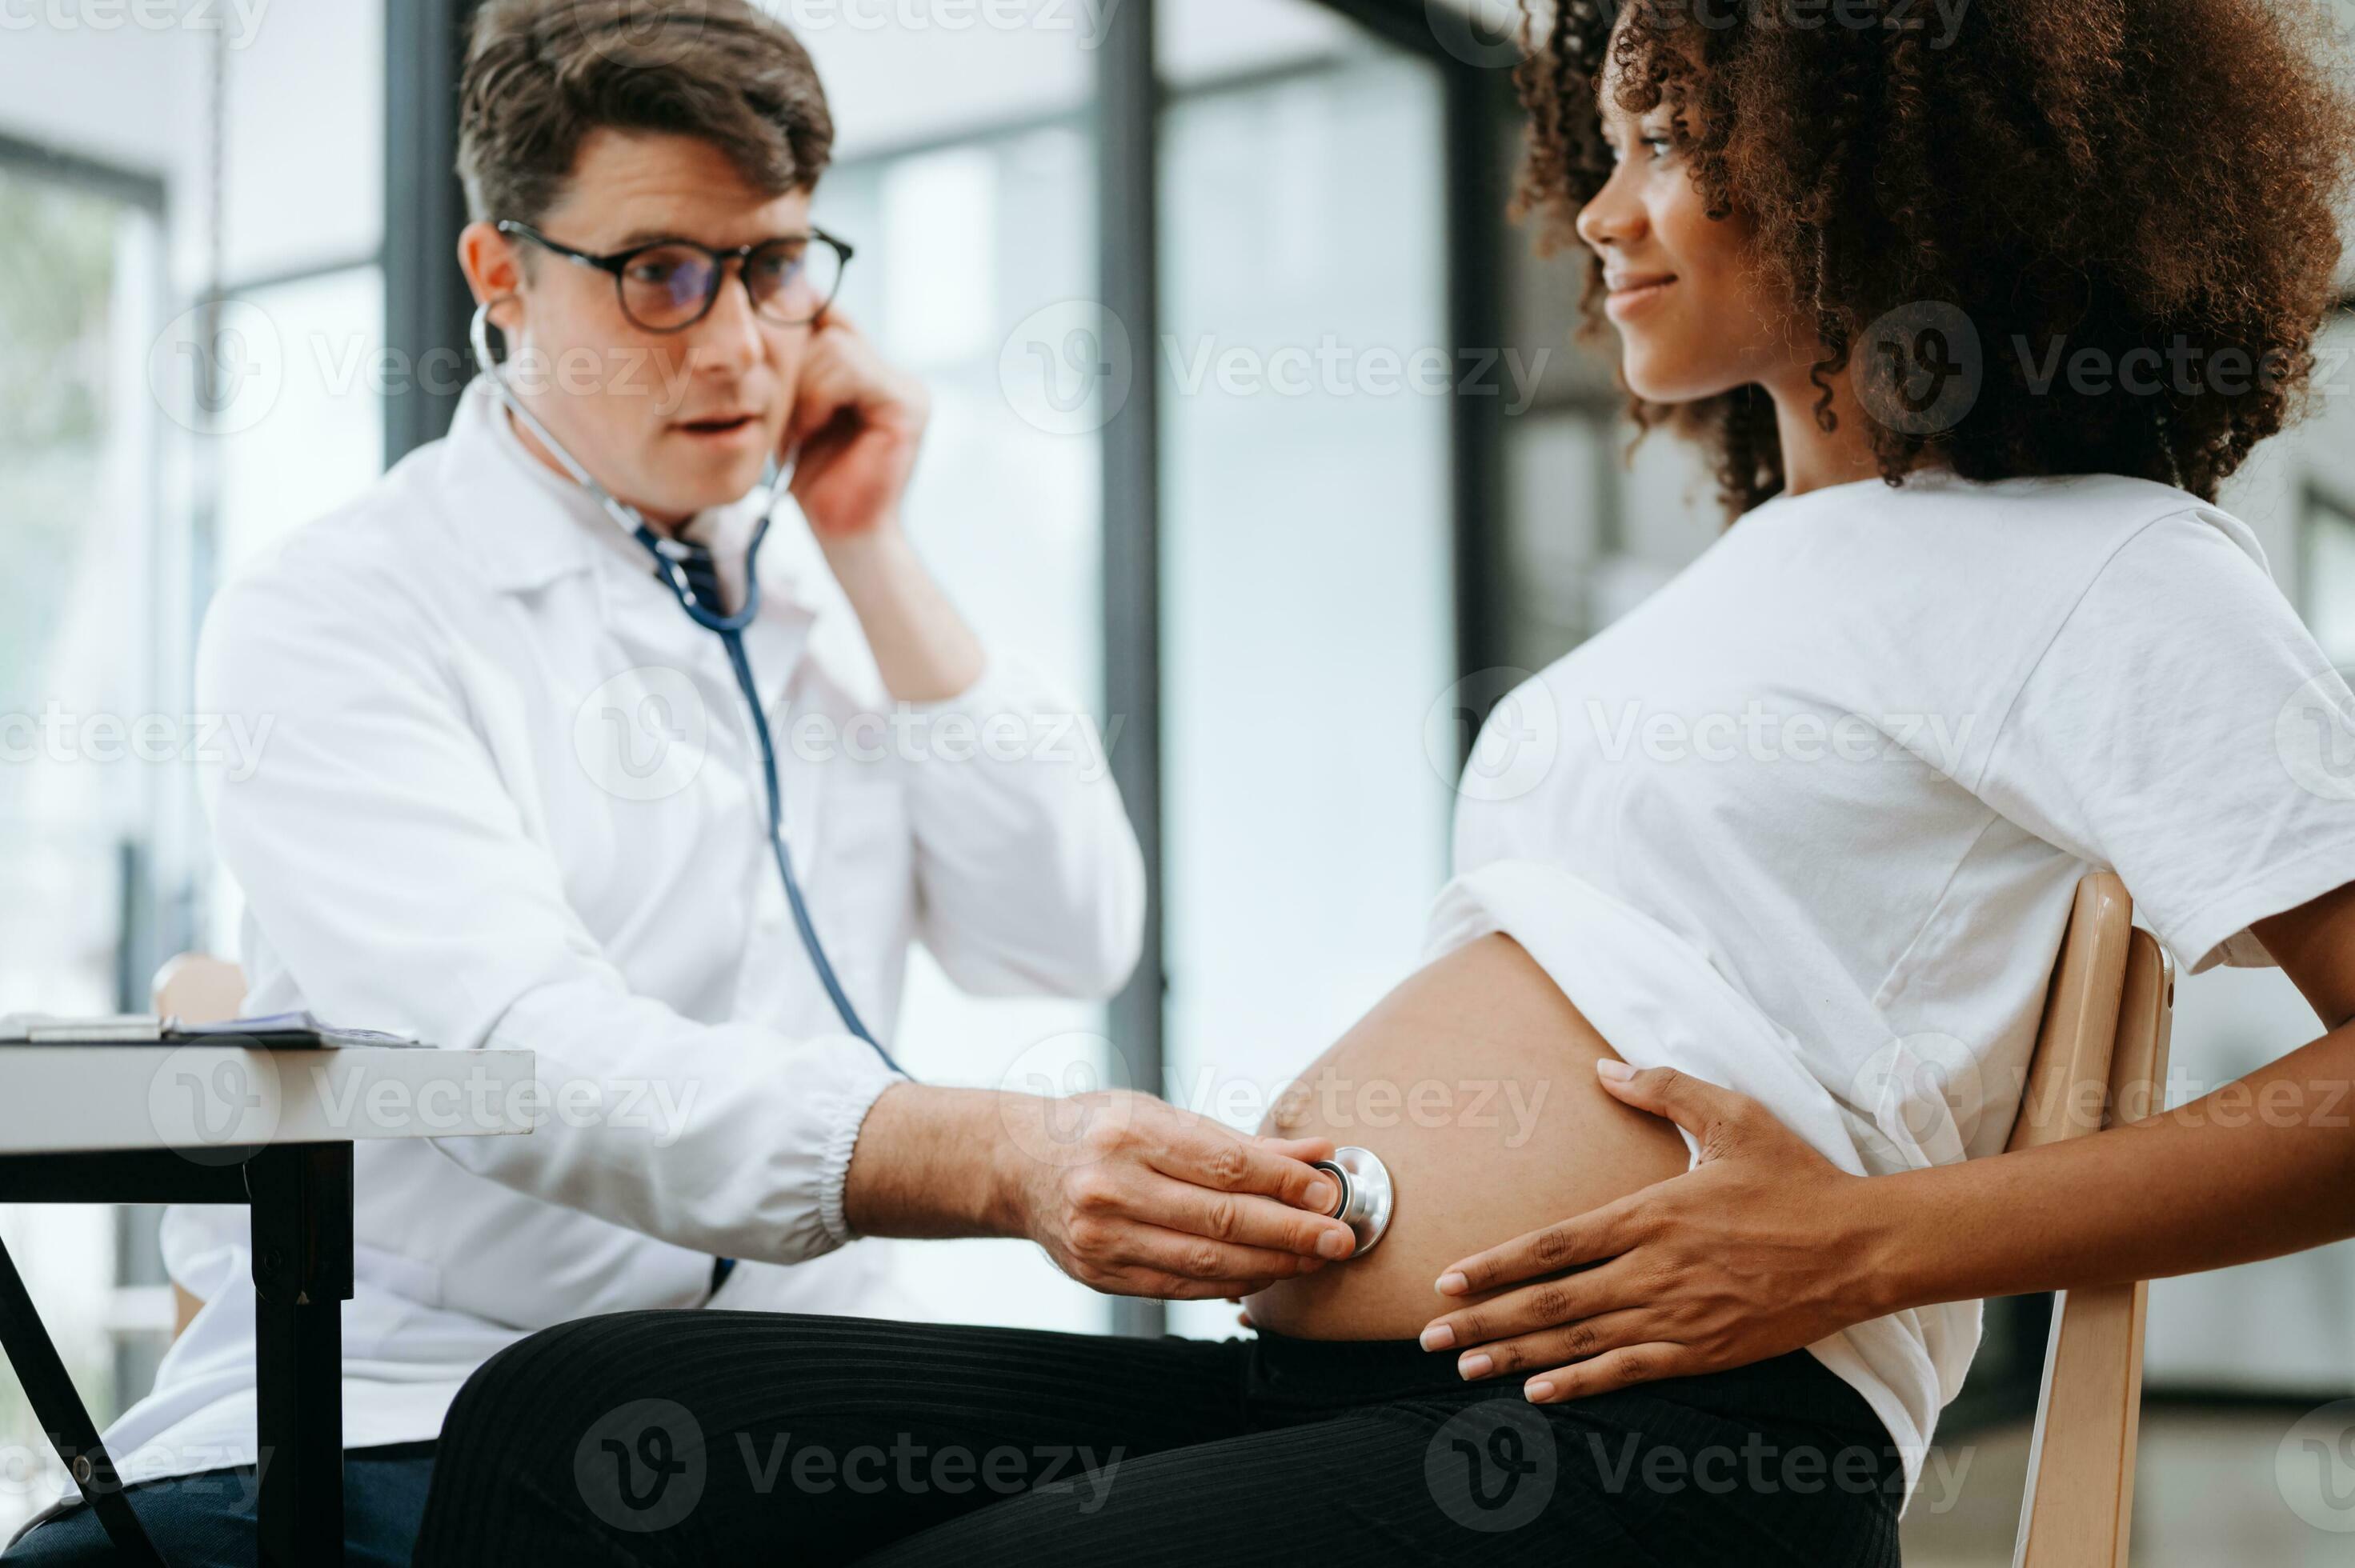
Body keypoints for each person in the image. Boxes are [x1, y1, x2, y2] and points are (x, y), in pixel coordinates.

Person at [404, 1, 2355, 1562]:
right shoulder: (1737, 587)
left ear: (1892, 166)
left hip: (1673, 1438)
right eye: (1599, 146)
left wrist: (1855, 1246)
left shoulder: (2097, 558)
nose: (1599, 211)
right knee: (570, 1425)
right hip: (1353, 1392)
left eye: (1669, 138)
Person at [2, 3, 1356, 1563]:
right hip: (427, 1400)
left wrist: (868, 539)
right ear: (500, 274)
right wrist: (1004, 1156)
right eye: (660, 272)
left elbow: (1064, 932)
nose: (733, 344)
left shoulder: (811, 600)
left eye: (773, 266)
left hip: (805, 1394)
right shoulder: (338, 611)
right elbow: (520, 1063)